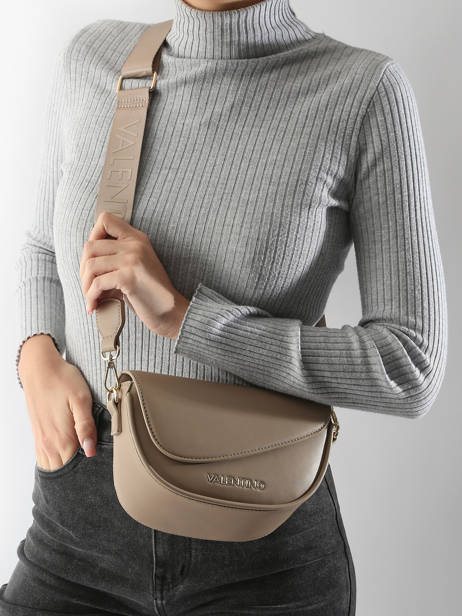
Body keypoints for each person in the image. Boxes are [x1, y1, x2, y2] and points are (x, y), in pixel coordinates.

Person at [1, 0, 448, 614]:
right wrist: (35, 356)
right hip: (76, 528)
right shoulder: (95, 58)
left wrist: (187, 319)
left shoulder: (362, 92)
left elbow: (411, 365)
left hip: (261, 549)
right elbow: (42, 245)